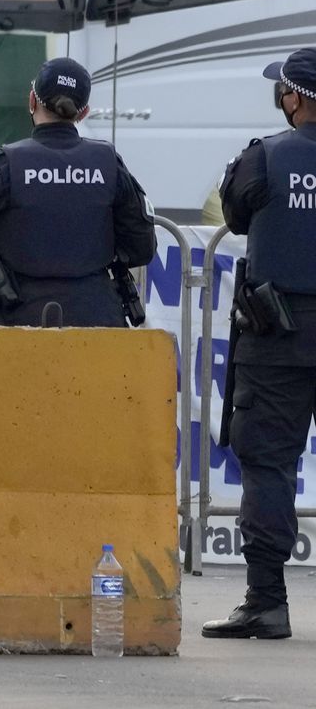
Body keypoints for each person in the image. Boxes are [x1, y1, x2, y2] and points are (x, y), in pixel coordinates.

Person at [202, 48, 316, 641]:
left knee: (269, 464)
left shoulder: (265, 156)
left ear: (293, 97)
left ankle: (266, 602)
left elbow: (237, 214)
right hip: (281, 332)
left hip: (280, 336)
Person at [0, 58, 156, 325]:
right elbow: (140, 246)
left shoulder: (4, 164)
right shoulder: (108, 163)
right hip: (96, 316)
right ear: (83, 113)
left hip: (15, 315)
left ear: (32, 101)